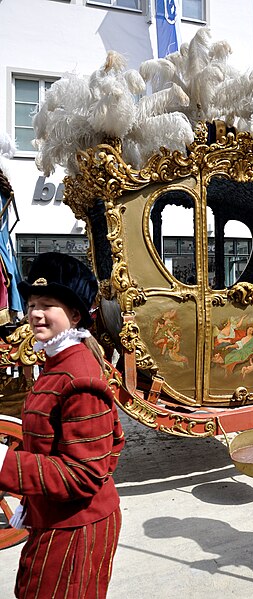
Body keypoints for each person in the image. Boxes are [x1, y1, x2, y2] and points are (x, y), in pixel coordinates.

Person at [0, 252, 125, 599]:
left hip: (76, 526)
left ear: (73, 314)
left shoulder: (79, 376)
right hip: (57, 517)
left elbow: (84, 474)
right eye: (32, 303)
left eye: (48, 305)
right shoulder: (58, 362)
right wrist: (31, 498)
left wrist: (5, 463)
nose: (36, 314)